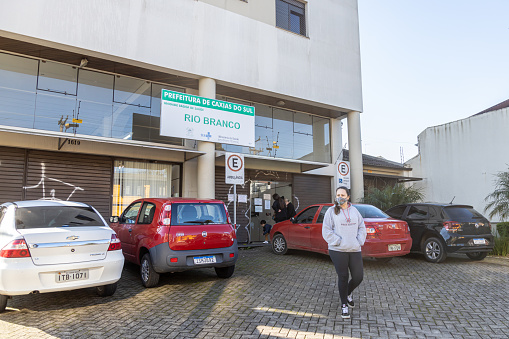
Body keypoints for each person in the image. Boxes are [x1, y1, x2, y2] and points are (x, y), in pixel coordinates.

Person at [322, 186, 366, 319]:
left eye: (342, 195)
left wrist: (358, 241)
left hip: (354, 249)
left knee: (358, 277)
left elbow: (362, 227)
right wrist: (338, 241)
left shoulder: (354, 211)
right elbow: (326, 230)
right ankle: (344, 304)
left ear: (348, 197)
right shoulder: (331, 211)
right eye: (338, 195)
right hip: (338, 250)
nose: (339, 197)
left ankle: (347, 293)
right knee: (343, 276)